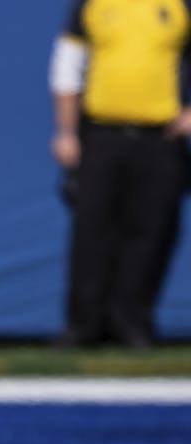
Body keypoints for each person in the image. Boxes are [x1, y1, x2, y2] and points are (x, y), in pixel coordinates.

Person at [50, 0, 191, 349]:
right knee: (91, 228)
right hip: (100, 133)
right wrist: (66, 131)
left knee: (151, 231)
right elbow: (67, 66)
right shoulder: (93, 5)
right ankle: (82, 325)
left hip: (160, 136)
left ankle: (133, 323)